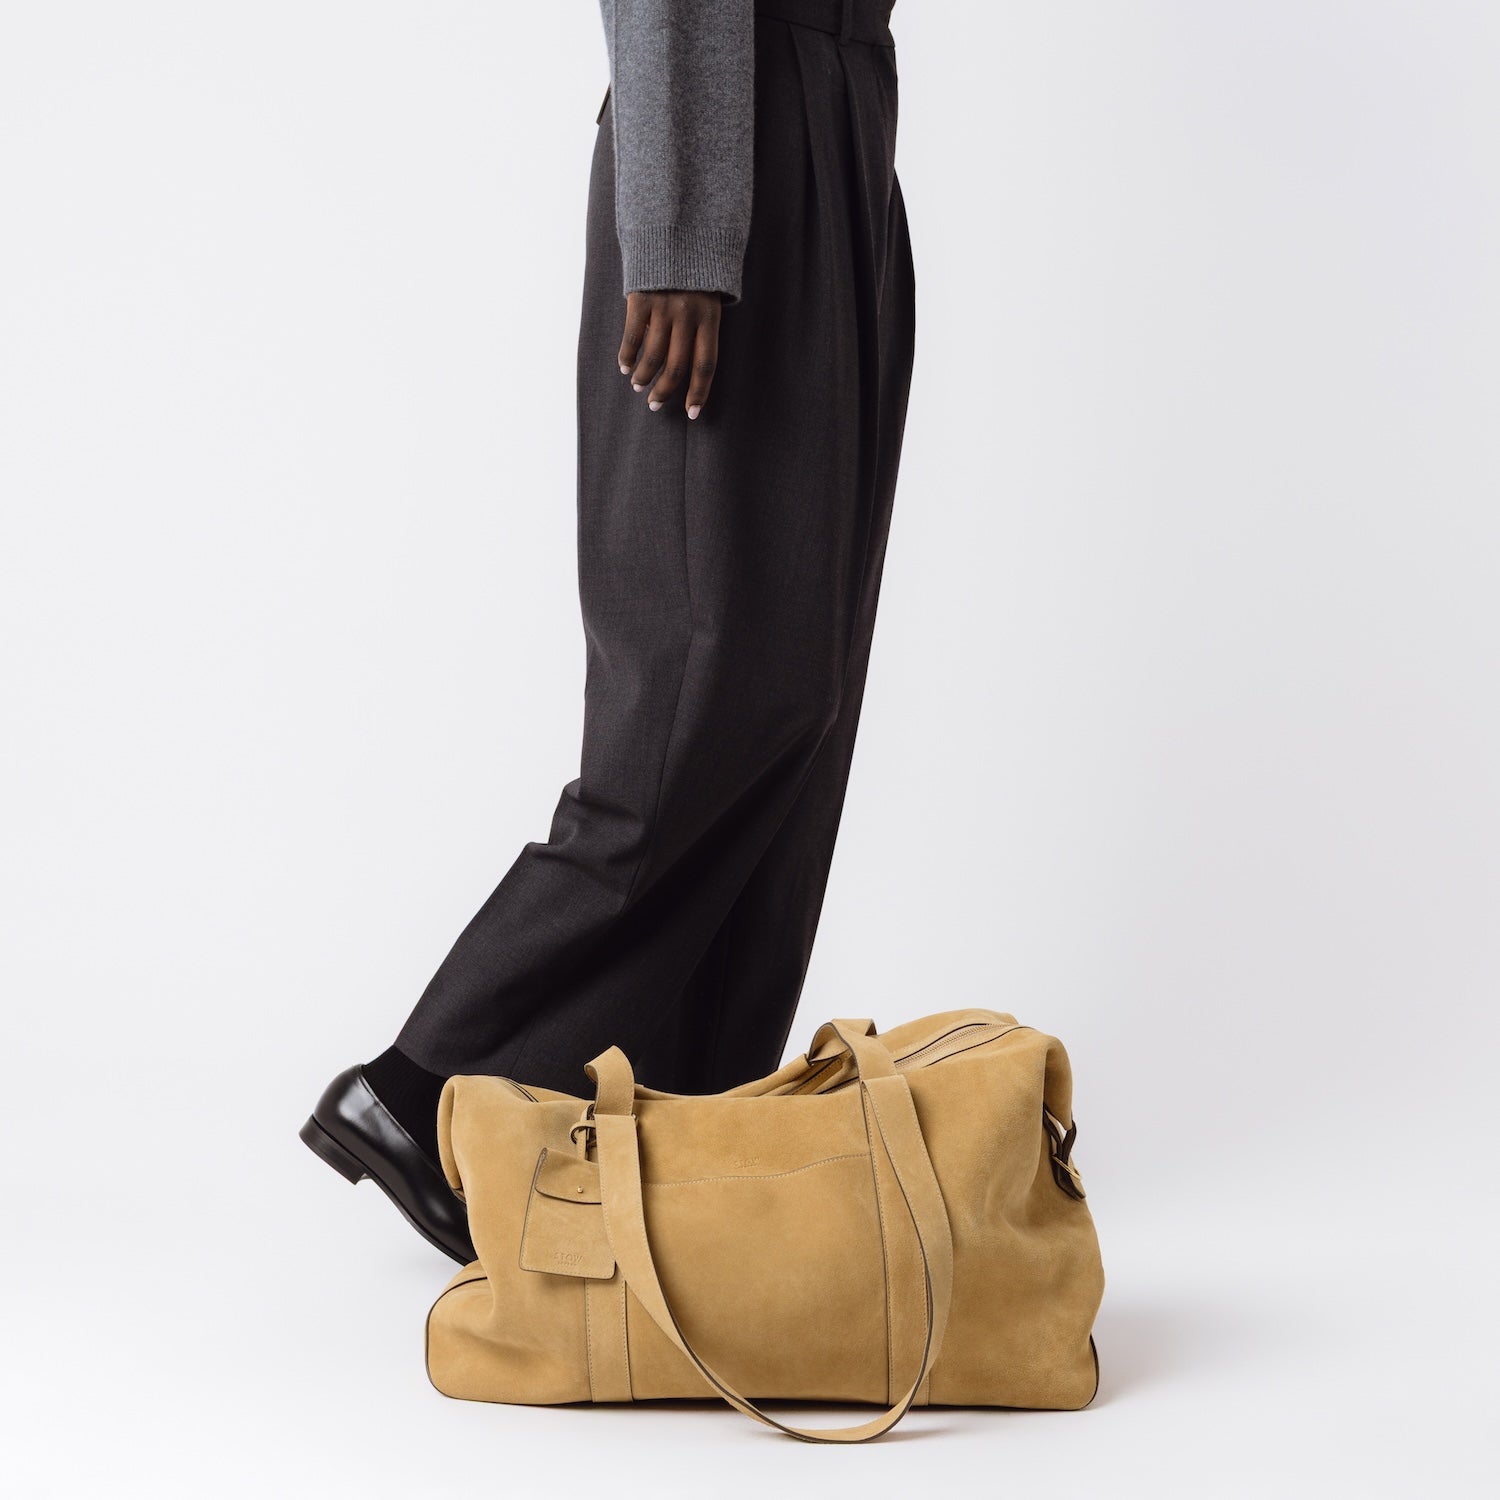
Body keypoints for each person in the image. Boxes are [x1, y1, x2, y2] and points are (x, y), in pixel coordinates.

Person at [300, 0, 914, 1263]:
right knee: (697, 687)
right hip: (734, 130)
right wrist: (684, 227)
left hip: (844, 119)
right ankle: (430, 1088)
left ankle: (674, 1145)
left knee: (800, 697)